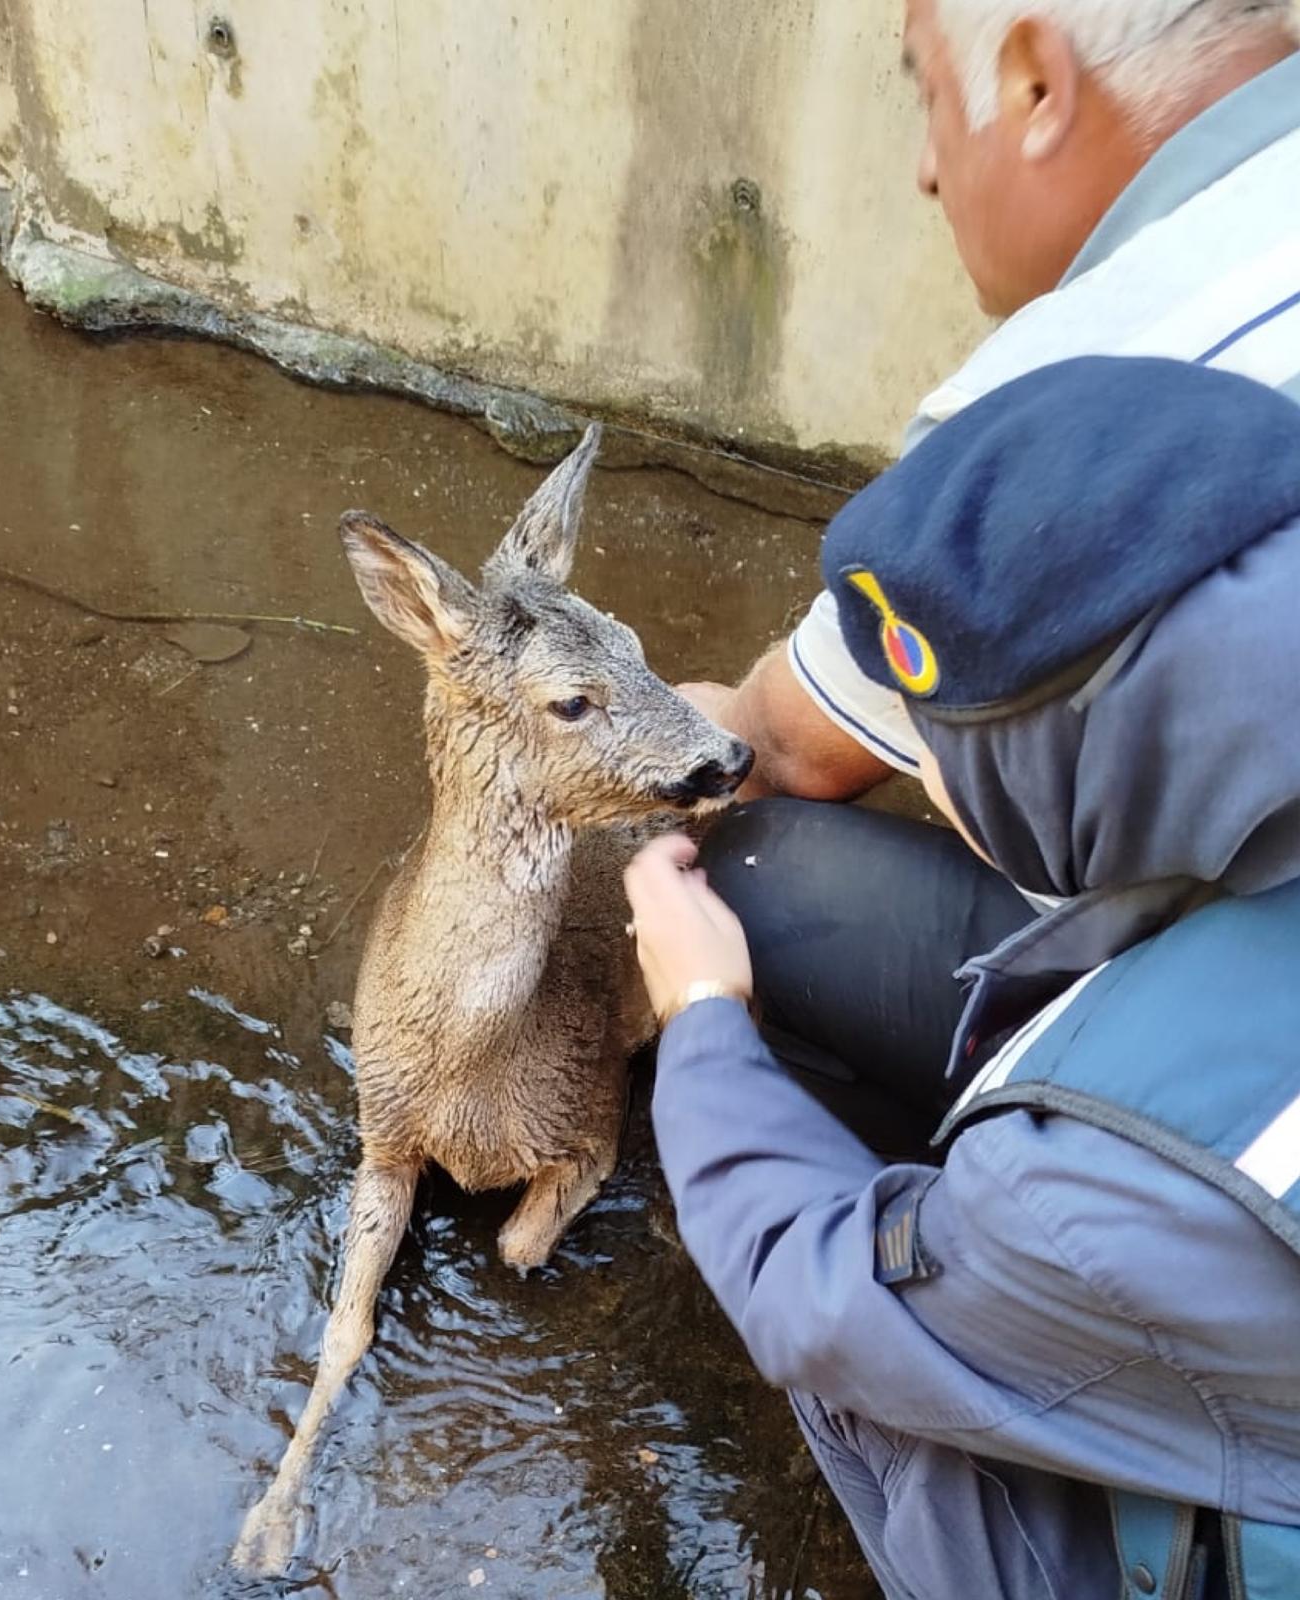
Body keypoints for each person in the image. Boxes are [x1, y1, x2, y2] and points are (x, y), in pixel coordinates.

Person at [624, 354, 1300, 1599]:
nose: (917, 774)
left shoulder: (1100, 1178)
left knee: (888, 1382)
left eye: (934, 745)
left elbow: (812, 1287)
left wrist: (703, 1018)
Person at [682, 0, 1300, 1145]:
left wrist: (654, 750)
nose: (925, 168)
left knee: (743, 864)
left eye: (924, 94)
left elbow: (776, 749)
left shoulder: (1068, 395)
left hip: (1244, 1094)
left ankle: (1009, 1153)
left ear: (1031, 83)